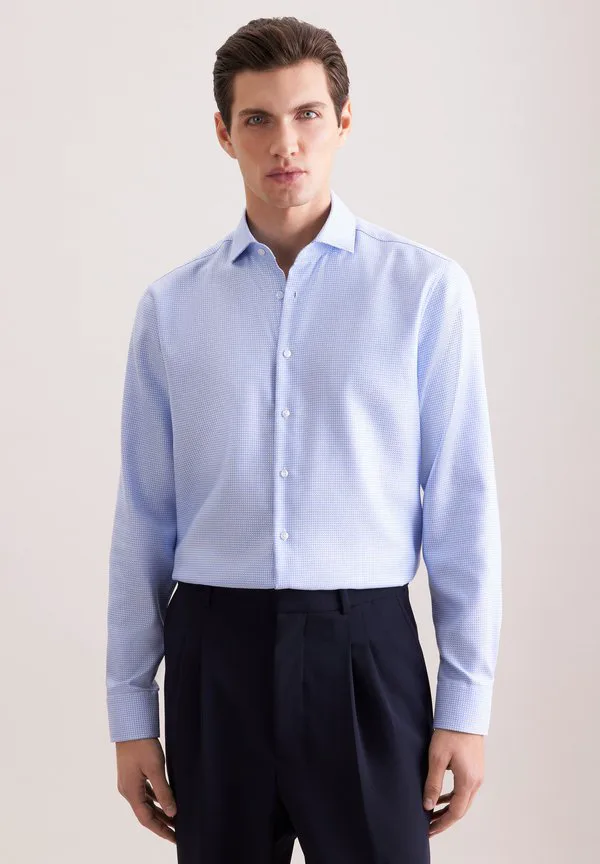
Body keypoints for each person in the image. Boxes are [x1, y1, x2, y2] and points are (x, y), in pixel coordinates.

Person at [106, 15, 502, 863]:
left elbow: (462, 506)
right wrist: (130, 713)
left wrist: (466, 705)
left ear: (343, 121)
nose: (284, 142)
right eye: (257, 118)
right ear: (225, 134)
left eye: (307, 114)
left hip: (367, 651)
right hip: (214, 658)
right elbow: (143, 519)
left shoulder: (424, 291)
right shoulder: (172, 309)